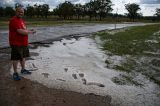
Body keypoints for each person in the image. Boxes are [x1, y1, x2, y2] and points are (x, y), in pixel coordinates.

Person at [9, 6, 36, 81]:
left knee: (23, 57)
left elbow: (24, 29)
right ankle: (15, 73)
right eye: (19, 12)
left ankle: (23, 70)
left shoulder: (21, 20)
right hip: (16, 43)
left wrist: (29, 29)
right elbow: (20, 31)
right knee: (16, 58)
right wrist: (31, 32)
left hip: (23, 43)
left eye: (22, 12)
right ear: (16, 12)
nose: (21, 13)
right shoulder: (14, 20)